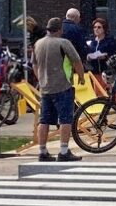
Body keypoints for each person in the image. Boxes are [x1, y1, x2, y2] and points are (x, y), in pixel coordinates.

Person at [33, 17, 86, 163]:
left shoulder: (38, 44)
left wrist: (41, 79)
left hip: (45, 88)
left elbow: (34, 65)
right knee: (65, 119)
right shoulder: (63, 43)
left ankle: (42, 151)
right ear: (60, 29)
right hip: (63, 86)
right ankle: (63, 151)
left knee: (44, 121)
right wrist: (81, 77)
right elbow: (77, 61)